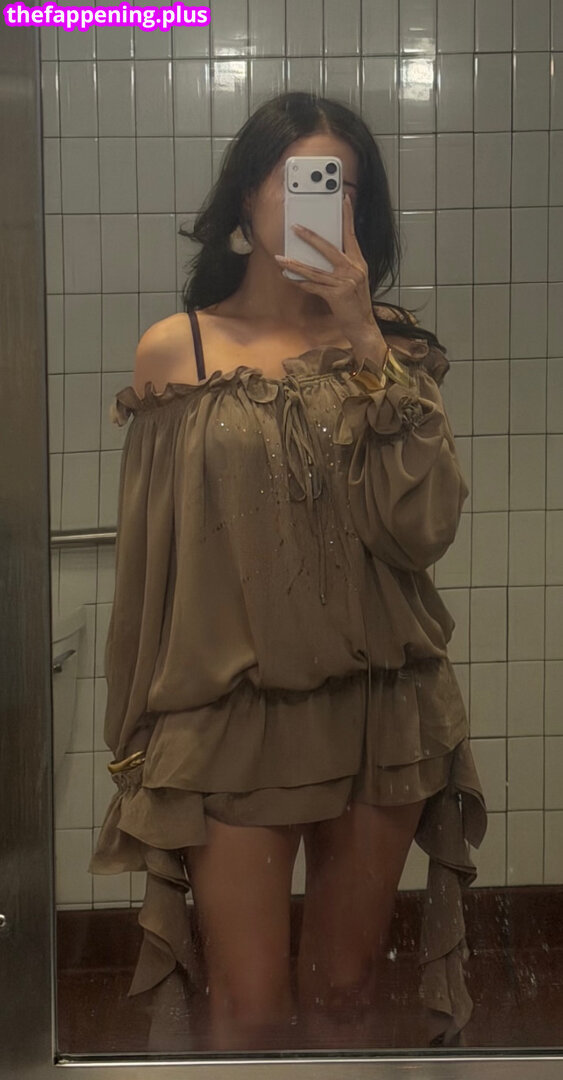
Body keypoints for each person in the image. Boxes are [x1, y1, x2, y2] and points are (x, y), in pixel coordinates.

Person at [89, 91, 487, 1053]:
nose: (324, 198)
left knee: (347, 993)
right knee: (250, 1009)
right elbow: (153, 560)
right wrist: (136, 726)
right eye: (302, 178)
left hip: (381, 706)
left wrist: (365, 343)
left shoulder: (391, 349)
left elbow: (422, 528)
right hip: (234, 716)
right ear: (243, 201)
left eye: (343, 184)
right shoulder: (177, 350)